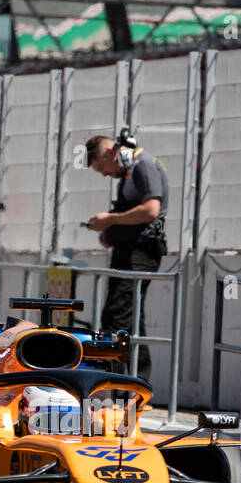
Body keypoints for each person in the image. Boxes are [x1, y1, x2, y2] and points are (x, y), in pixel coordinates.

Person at [84, 133, 168, 382]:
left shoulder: (143, 166)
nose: (104, 174)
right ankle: (135, 383)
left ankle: (114, 384)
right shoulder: (129, 174)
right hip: (130, 251)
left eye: (102, 168)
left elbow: (150, 210)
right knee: (130, 318)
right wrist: (109, 233)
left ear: (110, 153)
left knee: (116, 317)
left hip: (140, 252)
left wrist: (109, 220)